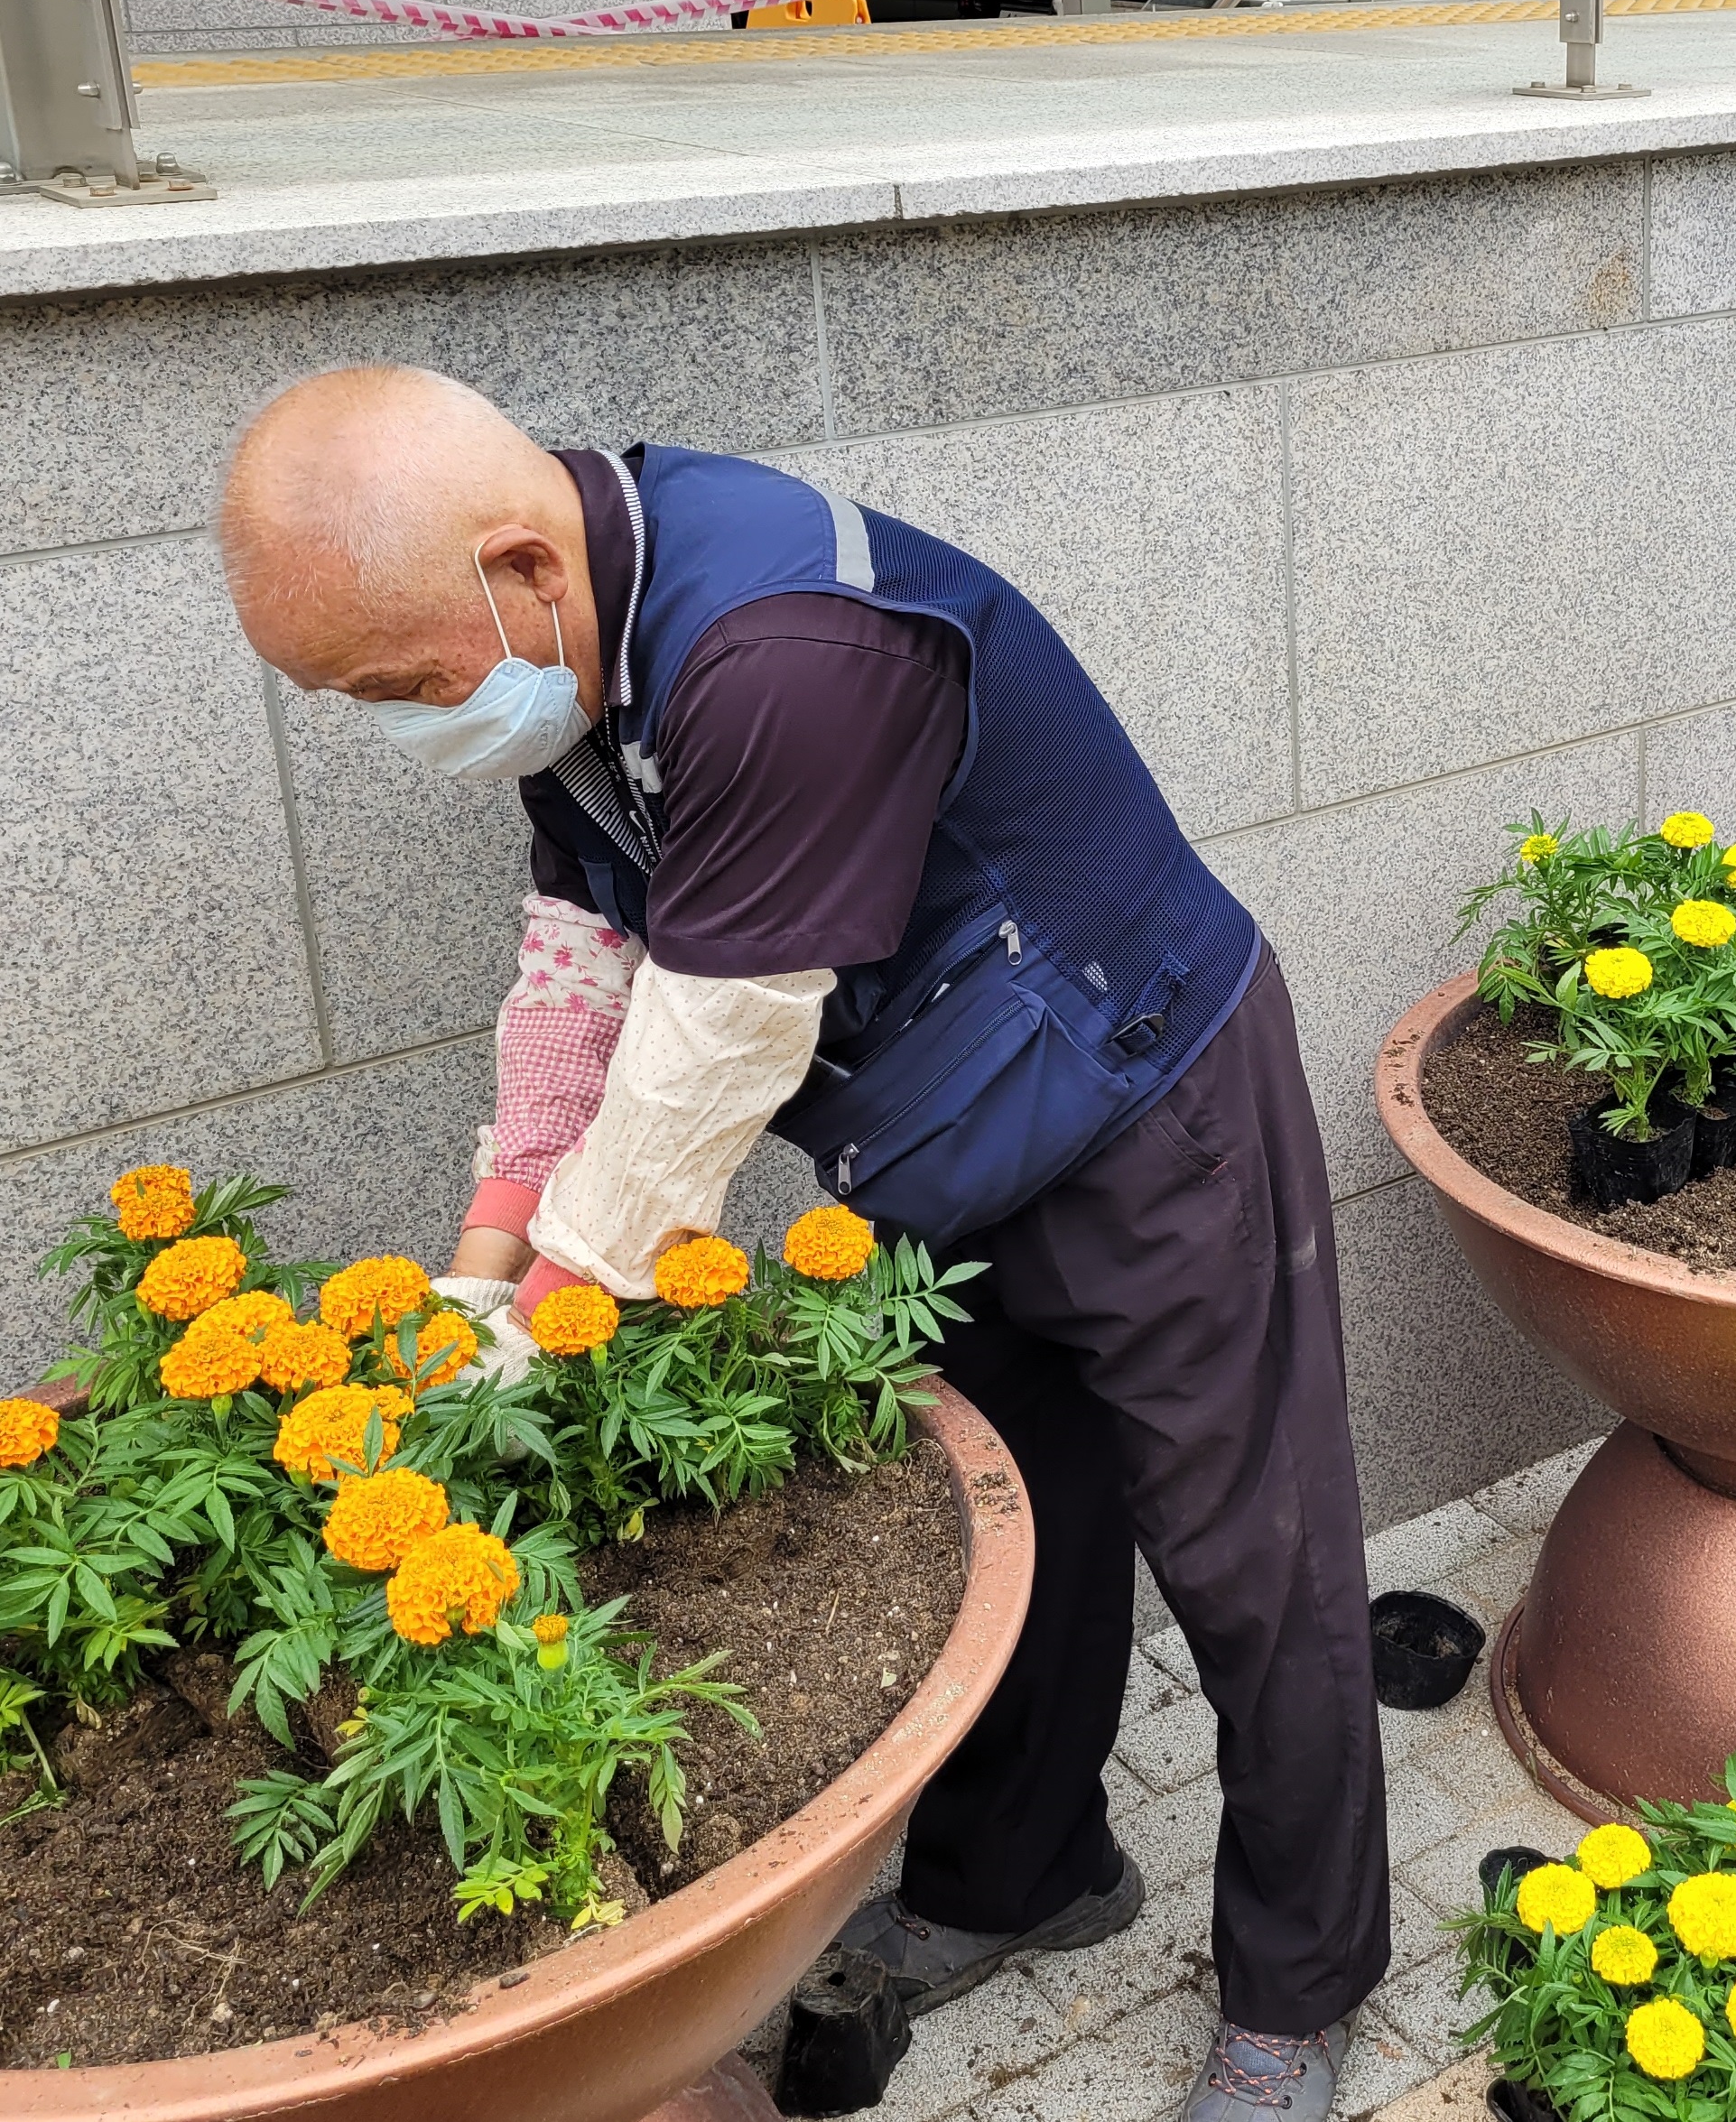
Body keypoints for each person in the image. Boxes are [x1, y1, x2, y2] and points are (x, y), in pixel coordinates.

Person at [215, 367, 1387, 2122]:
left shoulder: (785, 651)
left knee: (1256, 1563)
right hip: (945, 1144)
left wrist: (533, 1329)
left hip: (1150, 1101)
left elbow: (707, 1055)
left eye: (399, 686)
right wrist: (475, 1268)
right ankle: (1025, 1878)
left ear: (524, 568)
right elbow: (574, 976)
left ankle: (1300, 1988)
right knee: (1010, 1521)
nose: (401, 726)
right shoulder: (572, 664)